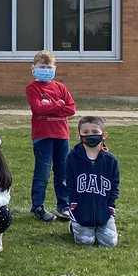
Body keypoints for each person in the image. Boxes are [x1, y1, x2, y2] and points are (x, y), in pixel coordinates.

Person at [27, 50, 76, 223]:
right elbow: (38, 109)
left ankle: (64, 206)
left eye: (49, 67)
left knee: (62, 172)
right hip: (43, 135)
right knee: (43, 172)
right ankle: (37, 206)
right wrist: (58, 105)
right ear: (33, 68)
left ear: (55, 68)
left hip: (62, 135)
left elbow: (71, 108)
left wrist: (52, 105)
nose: (46, 70)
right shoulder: (33, 88)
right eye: (42, 66)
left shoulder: (60, 87)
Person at [66, 116, 121, 248]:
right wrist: (74, 206)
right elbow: (70, 184)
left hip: (103, 211)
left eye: (95, 132)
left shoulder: (111, 161)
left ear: (104, 135)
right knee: (85, 241)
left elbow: (114, 187)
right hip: (81, 210)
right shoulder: (72, 157)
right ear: (79, 135)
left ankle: (100, 226)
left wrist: (110, 207)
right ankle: (73, 225)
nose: (90, 135)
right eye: (86, 132)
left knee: (109, 243)